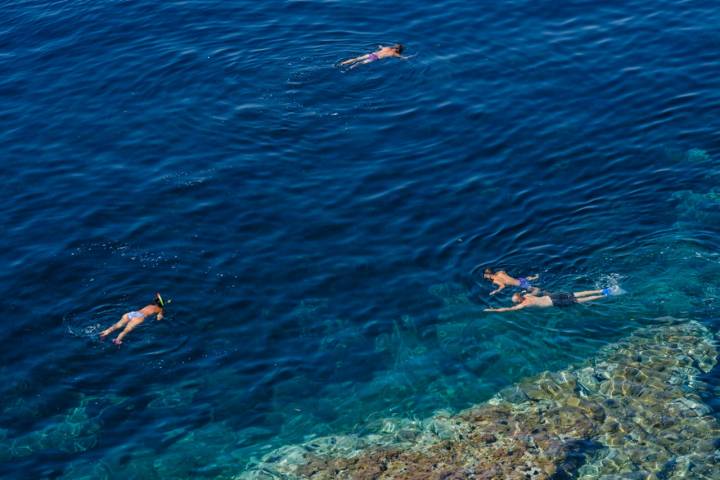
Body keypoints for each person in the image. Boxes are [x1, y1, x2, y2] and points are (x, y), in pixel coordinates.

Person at [484, 286, 624, 312]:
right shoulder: (526, 295)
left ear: (519, 300)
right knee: (578, 293)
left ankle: (605, 295)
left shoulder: (525, 304)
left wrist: (494, 310)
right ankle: (603, 289)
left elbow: (508, 309)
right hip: (552, 295)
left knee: (580, 301)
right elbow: (535, 289)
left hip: (555, 302)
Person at [100, 293, 166, 345]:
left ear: (155, 302)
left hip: (133, 313)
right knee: (126, 330)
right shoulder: (160, 309)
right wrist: (161, 315)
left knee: (117, 325)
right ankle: (117, 340)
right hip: (140, 317)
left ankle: (105, 332)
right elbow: (158, 318)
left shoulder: (150, 305)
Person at [340, 44, 405, 67]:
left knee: (356, 59)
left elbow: (381, 47)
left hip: (372, 54)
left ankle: (343, 63)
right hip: (375, 58)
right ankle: (350, 67)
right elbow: (402, 57)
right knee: (359, 63)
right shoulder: (394, 54)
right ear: (398, 50)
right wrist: (409, 57)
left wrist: (380, 46)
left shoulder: (387, 48)